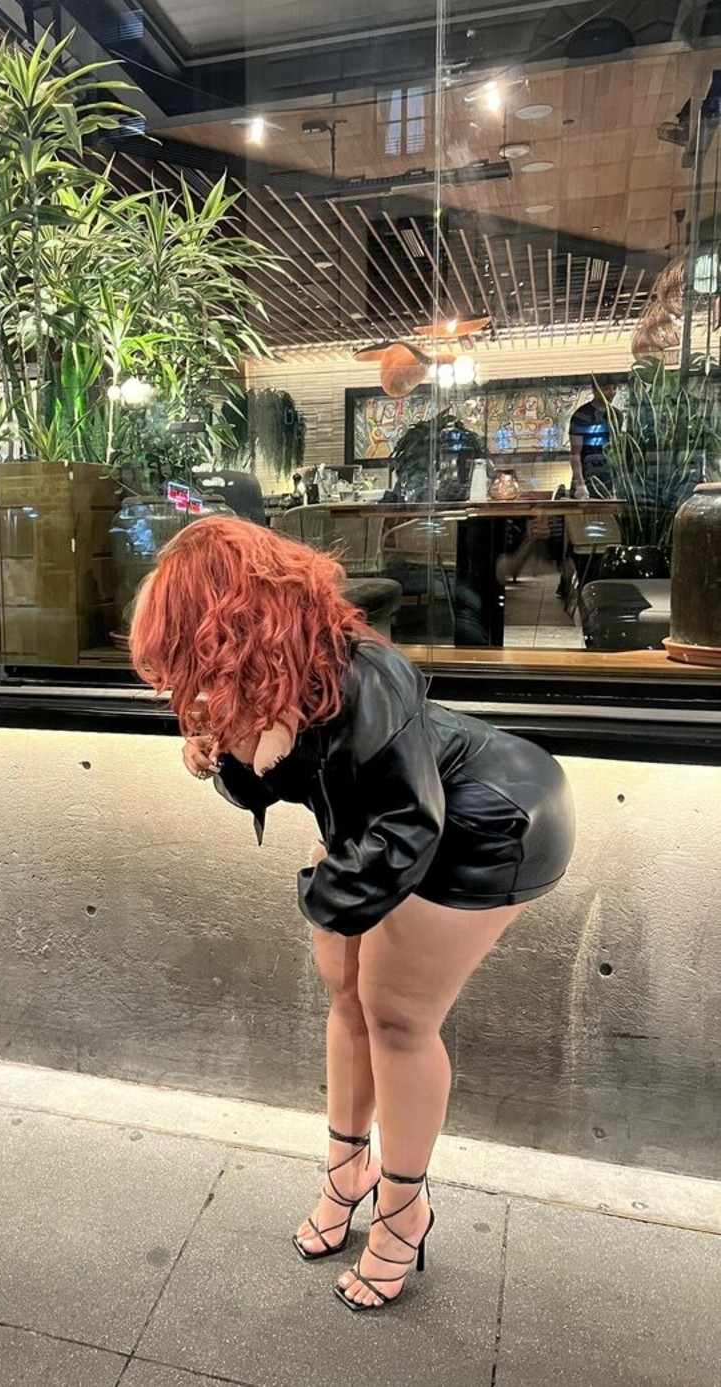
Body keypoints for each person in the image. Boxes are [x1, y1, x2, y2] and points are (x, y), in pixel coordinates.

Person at [129, 517, 575, 1312]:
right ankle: (347, 1172)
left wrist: (320, 893)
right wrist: (223, 752)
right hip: (389, 821)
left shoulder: (367, 672)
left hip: (490, 817)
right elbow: (292, 778)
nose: (185, 679)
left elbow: (408, 823)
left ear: (231, 622)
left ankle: (404, 1209)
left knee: (396, 1014)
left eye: (190, 647)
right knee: (345, 986)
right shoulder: (275, 673)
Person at [569, 384, 619, 499]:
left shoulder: (617, 415)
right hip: (587, 476)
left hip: (609, 478)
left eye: (614, 388)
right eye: (606, 389)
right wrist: (580, 484)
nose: (611, 393)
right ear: (595, 391)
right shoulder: (581, 415)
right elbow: (575, 454)